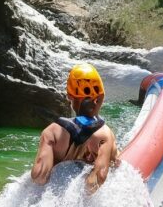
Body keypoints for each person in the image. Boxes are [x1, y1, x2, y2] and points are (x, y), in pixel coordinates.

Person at [30, 63, 119, 194]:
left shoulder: (51, 132)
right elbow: (99, 176)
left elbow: (39, 176)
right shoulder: (104, 134)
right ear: (99, 98)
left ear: (70, 97)